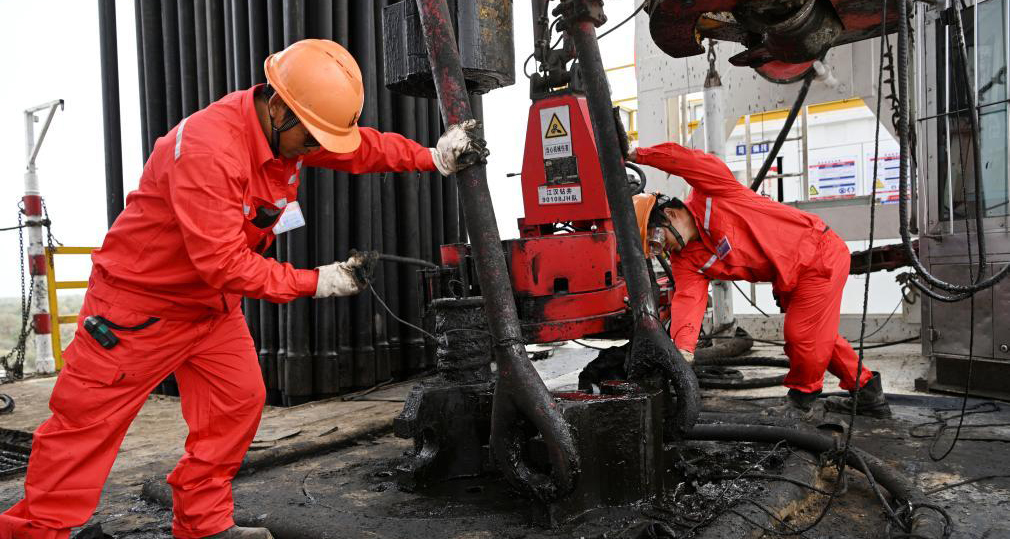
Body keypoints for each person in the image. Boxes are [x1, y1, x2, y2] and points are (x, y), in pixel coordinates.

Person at [0, 39, 487, 539]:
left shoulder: (286, 132)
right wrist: (316, 281)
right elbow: (224, 263)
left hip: (208, 312)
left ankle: (204, 526)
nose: (316, 150)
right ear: (278, 108)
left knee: (235, 405)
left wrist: (432, 156)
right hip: (137, 313)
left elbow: (357, 146)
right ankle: (37, 533)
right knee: (82, 433)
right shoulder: (210, 150)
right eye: (311, 139)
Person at [629, 142, 891, 421]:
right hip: (792, 275)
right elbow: (688, 300)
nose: (664, 250)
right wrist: (683, 349)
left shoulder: (713, 193)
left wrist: (639, 154)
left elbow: (689, 161)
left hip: (818, 255)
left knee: (802, 335)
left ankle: (801, 403)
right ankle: (868, 394)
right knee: (821, 336)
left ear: (669, 215)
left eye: (656, 240)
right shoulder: (688, 259)